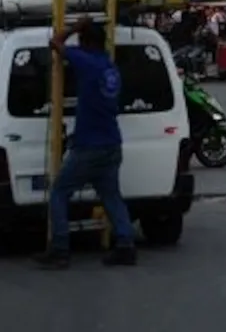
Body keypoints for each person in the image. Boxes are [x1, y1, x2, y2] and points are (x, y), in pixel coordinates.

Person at [36, 18, 137, 269]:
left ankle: (60, 249)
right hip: (111, 142)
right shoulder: (109, 68)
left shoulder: (86, 63)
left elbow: (55, 43)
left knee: (59, 192)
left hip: (89, 145)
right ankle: (125, 245)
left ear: (86, 41)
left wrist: (72, 27)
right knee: (111, 196)